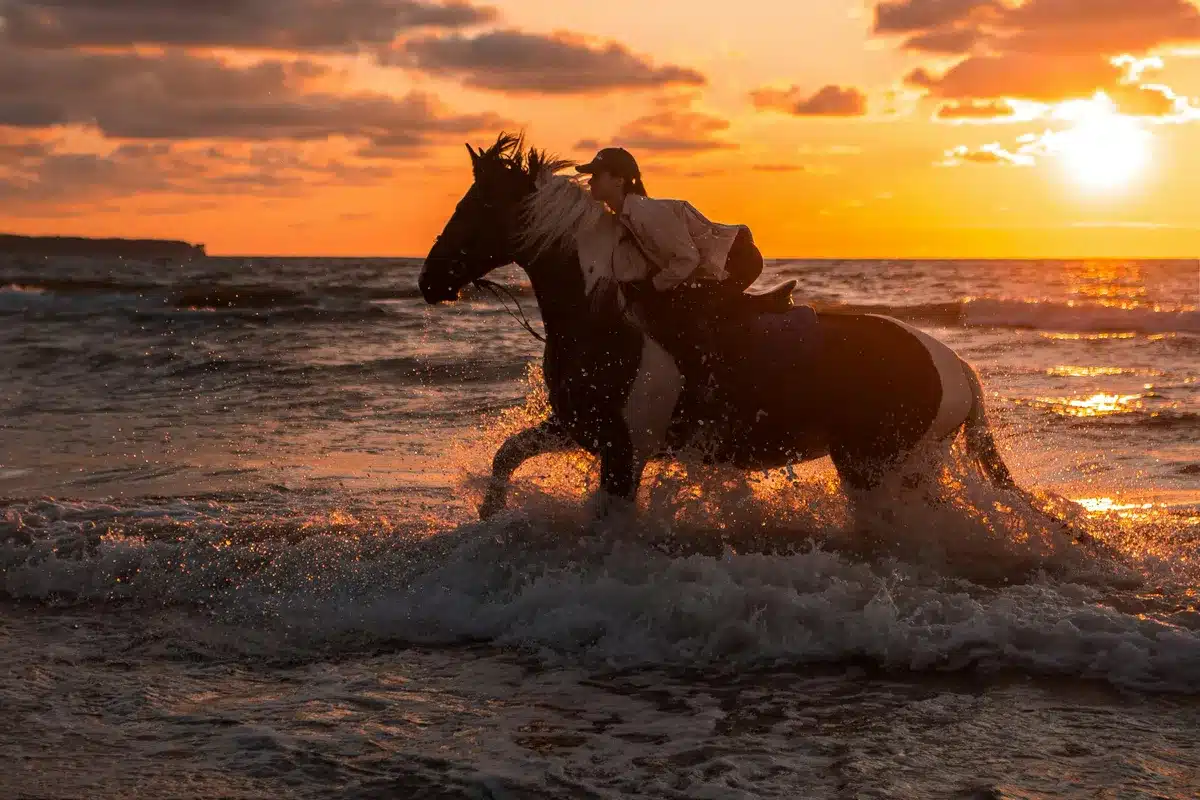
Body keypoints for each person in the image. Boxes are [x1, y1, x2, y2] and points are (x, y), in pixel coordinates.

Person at [576, 146, 765, 385]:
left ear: (618, 180)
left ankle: (707, 380)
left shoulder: (645, 213)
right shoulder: (624, 216)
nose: (590, 181)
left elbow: (687, 258)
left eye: (596, 175)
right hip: (714, 265)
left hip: (738, 260)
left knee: (689, 311)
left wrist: (653, 286)